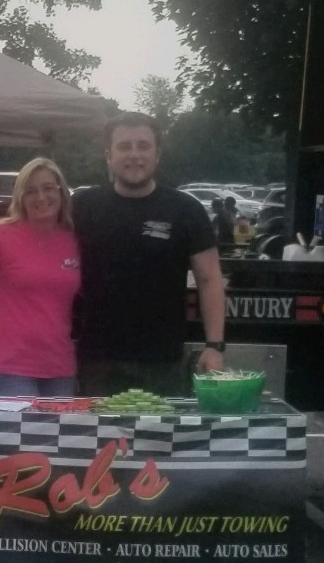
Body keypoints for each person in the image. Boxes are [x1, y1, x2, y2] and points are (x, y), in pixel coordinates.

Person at [71, 113, 226, 396]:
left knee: (159, 441)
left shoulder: (186, 210)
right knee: (101, 441)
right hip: (97, 360)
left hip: (163, 361)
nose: (134, 155)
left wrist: (214, 346)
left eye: (143, 146)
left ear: (157, 154)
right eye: (124, 146)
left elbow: (210, 280)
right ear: (109, 155)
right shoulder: (81, 206)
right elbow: (31, 231)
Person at [0, 157, 81, 397]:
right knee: (18, 436)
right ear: (20, 198)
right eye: (31, 191)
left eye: (48, 188)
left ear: (61, 192)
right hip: (8, 370)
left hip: (60, 369)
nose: (41, 197)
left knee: (54, 436)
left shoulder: (74, 240)